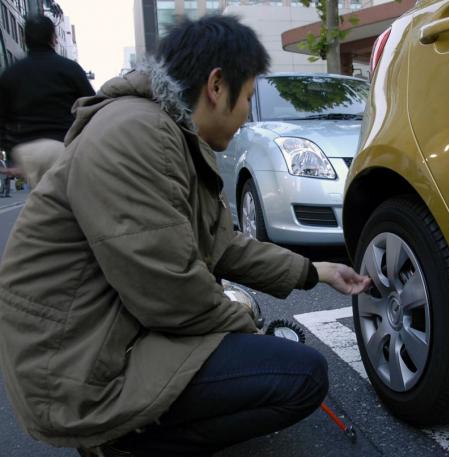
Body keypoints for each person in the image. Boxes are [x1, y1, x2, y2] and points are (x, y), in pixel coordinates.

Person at [0, 15, 370, 457]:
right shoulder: (136, 134)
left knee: (260, 352)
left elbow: (222, 243)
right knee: (300, 375)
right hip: (76, 369)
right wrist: (248, 329)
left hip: (95, 340)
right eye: (247, 98)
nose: (244, 117)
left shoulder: (165, 131)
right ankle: (124, 443)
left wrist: (313, 271)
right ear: (216, 86)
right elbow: (170, 291)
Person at [0, 15, 94, 190]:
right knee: (70, 200)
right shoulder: (69, 68)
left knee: (43, 199)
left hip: (26, 151)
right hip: (62, 145)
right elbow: (92, 107)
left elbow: (2, 118)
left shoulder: (10, 73)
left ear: (24, 39)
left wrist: (12, 156)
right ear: (54, 38)